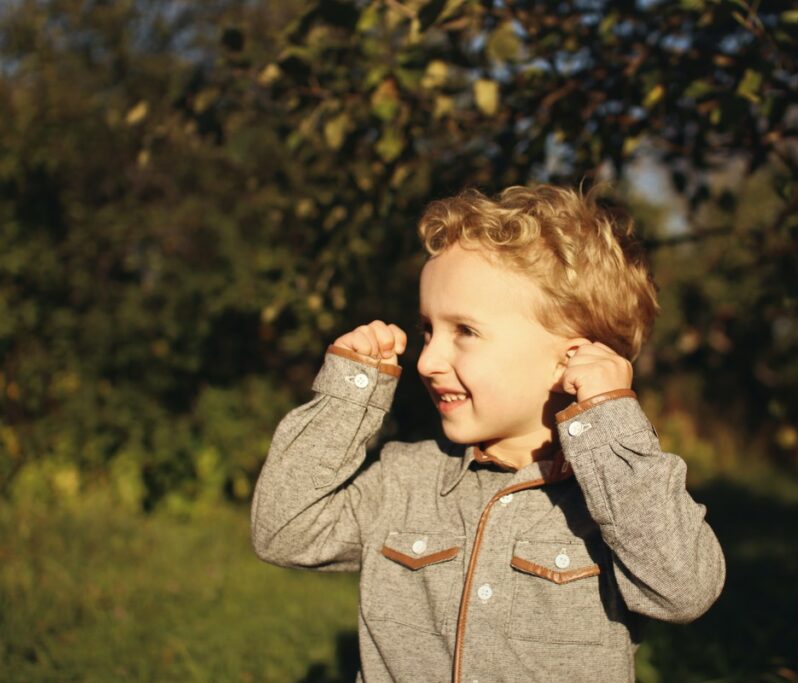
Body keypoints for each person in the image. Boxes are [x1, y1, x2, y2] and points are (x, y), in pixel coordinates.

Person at [251, 184, 726, 682]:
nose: (428, 360)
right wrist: (347, 396)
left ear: (571, 359)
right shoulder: (405, 479)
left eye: (465, 332)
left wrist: (609, 419)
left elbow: (684, 589)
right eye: (428, 330)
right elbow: (285, 533)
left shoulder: (613, 501)